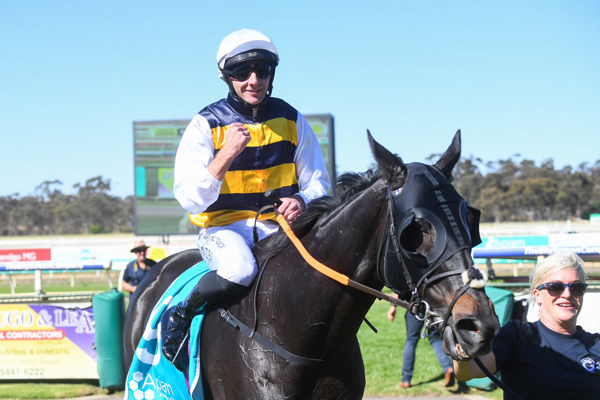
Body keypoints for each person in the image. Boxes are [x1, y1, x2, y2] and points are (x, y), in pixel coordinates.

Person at [161, 28, 330, 370]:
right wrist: (225, 156)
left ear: (272, 73)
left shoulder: (292, 119)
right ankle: (182, 315)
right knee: (240, 269)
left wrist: (301, 198)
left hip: (278, 228)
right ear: (226, 76)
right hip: (223, 230)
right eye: (242, 72)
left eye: (262, 70)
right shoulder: (205, 124)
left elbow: (320, 183)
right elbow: (191, 199)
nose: (253, 80)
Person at [453, 252, 600, 399]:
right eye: (555, 287)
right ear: (537, 294)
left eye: (577, 287)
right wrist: (462, 344)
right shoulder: (518, 336)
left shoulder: (596, 344)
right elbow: (468, 372)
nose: (567, 294)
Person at [388, 299, 455, 388]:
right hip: (431, 308)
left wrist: (393, 306)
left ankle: (406, 380)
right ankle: (448, 367)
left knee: (411, 341)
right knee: (435, 339)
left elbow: (396, 291)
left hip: (415, 308)